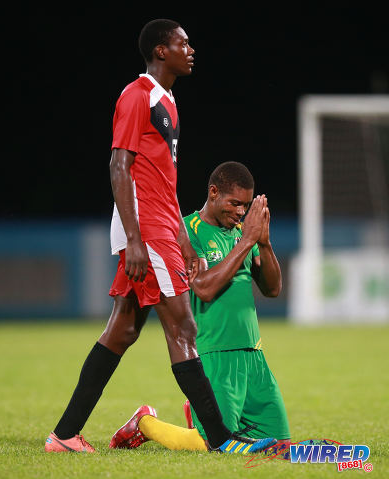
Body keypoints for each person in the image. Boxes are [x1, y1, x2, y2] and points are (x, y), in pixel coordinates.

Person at [44, 20, 276, 454]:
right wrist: (134, 239)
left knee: (123, 330)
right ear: (159, 50)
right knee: (184, 328)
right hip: (146, 229)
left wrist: (186, 246)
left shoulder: (167, 100)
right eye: (182, 43)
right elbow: (119, 166)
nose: (191, 49)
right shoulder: (138, 95)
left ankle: (63, 435)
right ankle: (223, 441)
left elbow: (163, 183)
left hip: (158, 227)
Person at [108, 162, 291, 453]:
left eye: (245, 205)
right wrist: (246, 242)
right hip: (214, 354)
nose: (241, 212)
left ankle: (196, 414)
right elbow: (203, 288)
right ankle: (143, 423)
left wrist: (264, 244)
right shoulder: (187, 231)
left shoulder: (243, 232)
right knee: (214, 445)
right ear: (213, 193)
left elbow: (272, 289)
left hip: (253, 355)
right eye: (234, 203)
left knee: (280, 445)